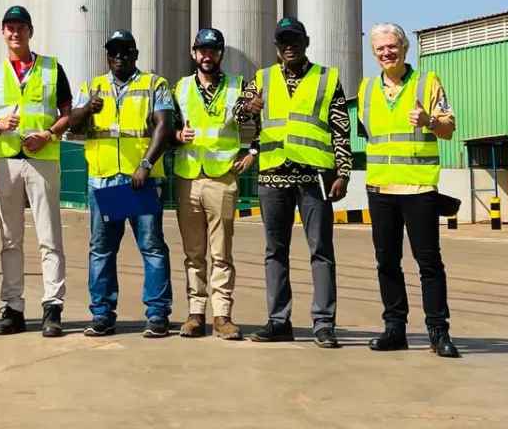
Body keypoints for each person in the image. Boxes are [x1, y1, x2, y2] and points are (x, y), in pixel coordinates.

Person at [246, 17, 352, 348]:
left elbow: (341, 129)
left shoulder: (327, 78)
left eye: (295, 40)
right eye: (283, 41)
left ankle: (324, 324)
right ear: (276, 47)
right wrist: (248, 106)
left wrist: (343, 172)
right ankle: (279, 322)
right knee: (275, 251)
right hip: (273, 176)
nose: (289, 46)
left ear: (306, 42)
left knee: (321, 251)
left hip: (314, 178)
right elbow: (238, 113)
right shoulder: (262, 78)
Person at [357, 22, 459, 358]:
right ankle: (394, 329)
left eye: (392, 46)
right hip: (380, 188)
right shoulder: (366, 89)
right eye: (380, 49)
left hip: (418, 188)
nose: (387, 53)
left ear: (404, 48)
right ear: (374, 53)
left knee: (429, 263)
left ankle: (438, 332)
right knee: (386, 262)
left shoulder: (427, 83)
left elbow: (449, 129)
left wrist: (429, 121)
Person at [68, 30, 175, 338]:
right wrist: (87, 109)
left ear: (135, 54)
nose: (119, 57)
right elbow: (73, 124)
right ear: (107, 55)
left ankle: (157, 314)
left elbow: (165, 126)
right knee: (102, 250)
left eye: (125, 51)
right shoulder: (92, 87)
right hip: (105, 180)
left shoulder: (154, 84)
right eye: (113, 51)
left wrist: (145, 165)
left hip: (139, 182)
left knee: (151, 247)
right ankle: (102, 314)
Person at [0, 6, 72, 337]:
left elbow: (66, 113)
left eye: (20, 27)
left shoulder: (51, 68)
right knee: (9, 239)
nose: (15, 32)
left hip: (42, 158)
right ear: (2, 33)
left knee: (50, 236)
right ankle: (13, 308)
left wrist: (48, 134)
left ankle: (52, 307)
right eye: (9, 27)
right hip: (5, 160)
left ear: (30, 31)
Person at [171, 28, 250, 340]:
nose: (207, 56)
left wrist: (252, 152)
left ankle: (222, 316)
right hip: (188, 177)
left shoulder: (238, 86)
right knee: (194, 253)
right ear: (194, 53)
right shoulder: (180, 88)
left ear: (221, 54)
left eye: (213, 50)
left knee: (221, 253)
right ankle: (195, 314)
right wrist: (178, 135)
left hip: (221, 177)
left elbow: (260, 122)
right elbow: (166, 126)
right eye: (202, 50)